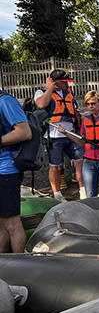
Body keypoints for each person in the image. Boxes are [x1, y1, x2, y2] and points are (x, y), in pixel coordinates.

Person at [57, 91, 99, 198]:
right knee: (90, 195)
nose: (90, 106)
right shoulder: (86, 120)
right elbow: (83, 143)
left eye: (93, 103)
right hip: (89, 161)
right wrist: (66, 133)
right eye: (88, 104)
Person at [34, 69, 86, 202]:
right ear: (55, 82)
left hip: (70, 134)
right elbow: (41, 104)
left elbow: (75, 111)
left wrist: (78, 128)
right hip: (53, 135)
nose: (67, 84)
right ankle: (57, 193)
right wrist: (49, 89)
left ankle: (83, 191)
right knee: (55, 166)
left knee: (80, 160)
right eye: (64, 82)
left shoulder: (68, 92)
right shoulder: (42, 92)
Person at [0, 90, 32, 253]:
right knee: (1, 223)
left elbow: (25, 132)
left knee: (12, 223)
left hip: (6, 171)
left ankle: (20, 265)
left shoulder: (5, 101)